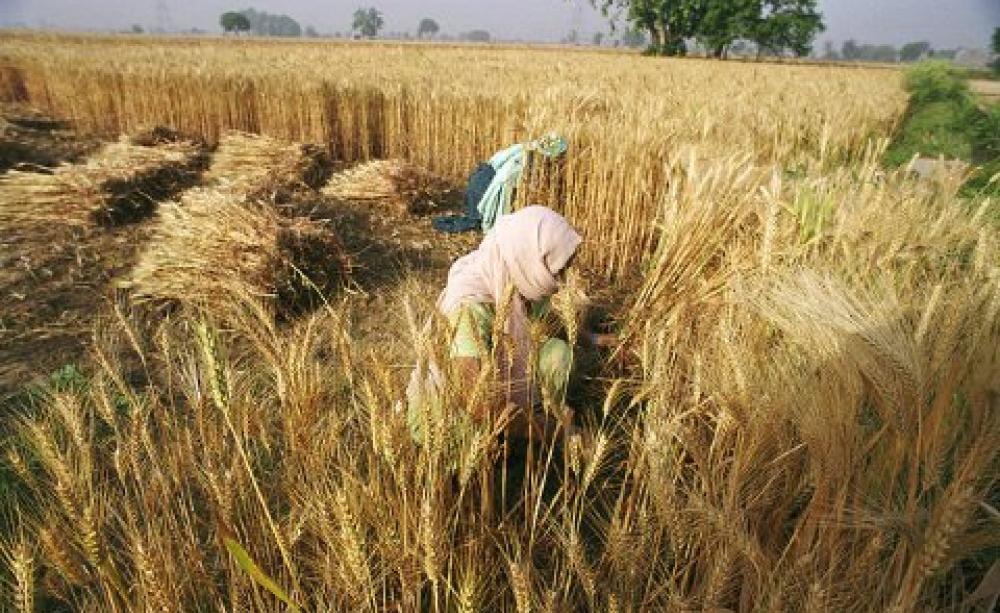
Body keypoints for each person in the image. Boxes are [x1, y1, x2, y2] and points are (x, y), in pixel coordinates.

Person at [407, 205, 612, 447]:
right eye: (560, 270)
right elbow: (477, 402)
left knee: (559, 356)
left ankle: (520, 432)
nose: (564, 279)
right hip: (449, 411)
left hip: (495, 384)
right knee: (474, 437)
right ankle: (508, 446)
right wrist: (557, 433)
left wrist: (595, 340)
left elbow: (550, 320)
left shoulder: (522, 277)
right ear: (532, 259)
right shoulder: (470, 307)